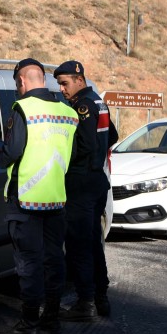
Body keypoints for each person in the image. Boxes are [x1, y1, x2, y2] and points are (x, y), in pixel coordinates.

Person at [0, 58, 78, 334]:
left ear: (21, 81)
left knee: (28, 264)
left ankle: (28, 324)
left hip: (26, 200)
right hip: (55, 198)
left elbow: (12, 151)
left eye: (17, 84)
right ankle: (51, 318)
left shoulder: (23, 109)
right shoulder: (67, 112)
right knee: (54, 260)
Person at [53, 60, 118, 320]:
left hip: (81, 183)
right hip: (97, 181)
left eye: (64, 83)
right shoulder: (98, 101)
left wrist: (67, 162)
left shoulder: (82, 106)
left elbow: (85, 145)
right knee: (92, 242)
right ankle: (101, 298)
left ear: (79, 80)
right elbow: (112, 136)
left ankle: (85, 303)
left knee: (79, 245)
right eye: (60, 84)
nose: (62, 89)